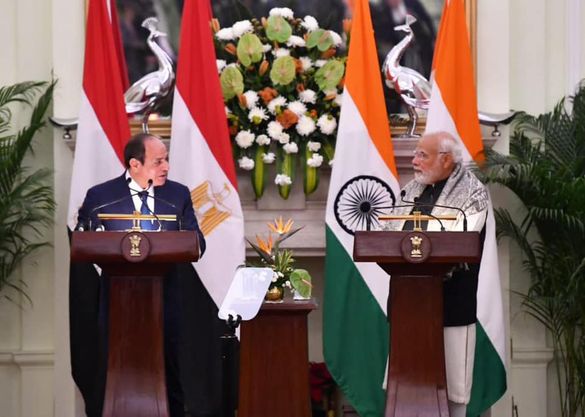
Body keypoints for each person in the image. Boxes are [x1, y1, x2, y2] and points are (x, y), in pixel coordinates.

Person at [71, 133, 223, 417]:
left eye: (166, 160)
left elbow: (197, 243)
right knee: (114, 367)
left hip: (166, 297)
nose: (166, 167)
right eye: (158, 161)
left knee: (169, 368)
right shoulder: (101, 196)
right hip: (116, 301)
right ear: (135, 164)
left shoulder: (177, 195)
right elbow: (82, 239)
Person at [382, 131, 488, 417]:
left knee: (452, 391)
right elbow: (390, 235)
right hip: (408, 304)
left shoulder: (473, 192)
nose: (414, 161)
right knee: (406, 383)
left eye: (422, 155)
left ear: (446, 159)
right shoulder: (412, 190)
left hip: (450, 304)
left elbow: (461, 242)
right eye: (415, 154)